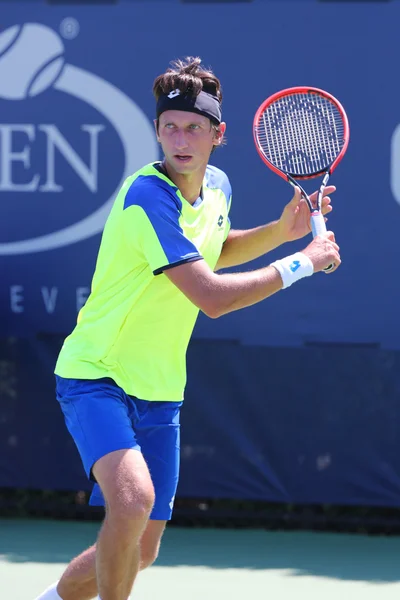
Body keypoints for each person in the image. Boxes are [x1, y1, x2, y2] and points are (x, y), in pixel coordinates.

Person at [34, 56, 340, 600]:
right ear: (155, 131)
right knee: (130, 504)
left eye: (194, 128)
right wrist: (303, 262)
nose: (181, 138)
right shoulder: (145, 197)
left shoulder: (217, 187)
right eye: (170, 127)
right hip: (95, 373)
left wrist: (281, 231)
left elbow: (214, 251)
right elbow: (210, 297)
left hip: (160, 387)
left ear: (217, 136)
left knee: (140, 547)